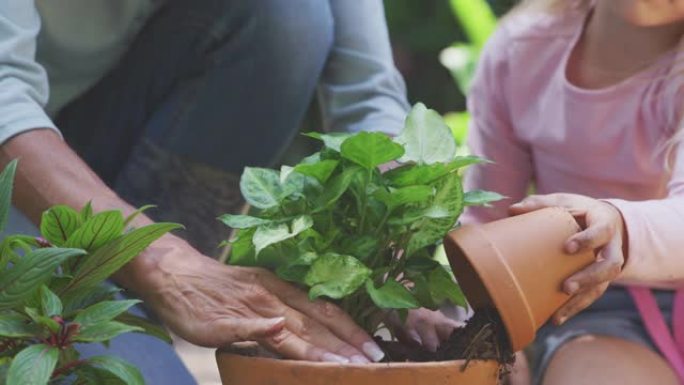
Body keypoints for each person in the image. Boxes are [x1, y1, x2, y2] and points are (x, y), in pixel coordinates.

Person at [0, 1, 460, 383]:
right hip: (16, 175)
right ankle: (103, 296)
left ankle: (127, 301)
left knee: (289, 16)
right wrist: (161, 261)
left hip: (104, 152)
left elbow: (366, 91)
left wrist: (395, 251)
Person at [462, 0, 684, 384]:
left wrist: (618, 226)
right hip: (593, 311)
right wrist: (496, 333)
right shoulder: (524, 49)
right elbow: (486, 225)